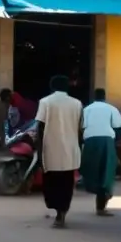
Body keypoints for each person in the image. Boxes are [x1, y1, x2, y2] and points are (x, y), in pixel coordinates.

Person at [35, 76, 83, 228]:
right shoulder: (77, 103)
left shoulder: (45, 102)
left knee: (51, 182)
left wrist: (39, 150)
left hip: (51, 150)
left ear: (52, 87)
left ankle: (57, 211)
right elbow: (81, 129)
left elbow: (40, 127)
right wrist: (79, 147)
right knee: (66, 183)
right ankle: (62, 212)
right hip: (70, 150)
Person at [81, 88, 121, 216]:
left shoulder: (87, 109)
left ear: (93, 97)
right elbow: (119, 127)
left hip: (90, 141)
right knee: (106, 173)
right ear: (104, 97)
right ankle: (101, 205)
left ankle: (93, 191)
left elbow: (81, 127)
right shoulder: (111, 109)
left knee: (92, 170)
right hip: (106, 141)